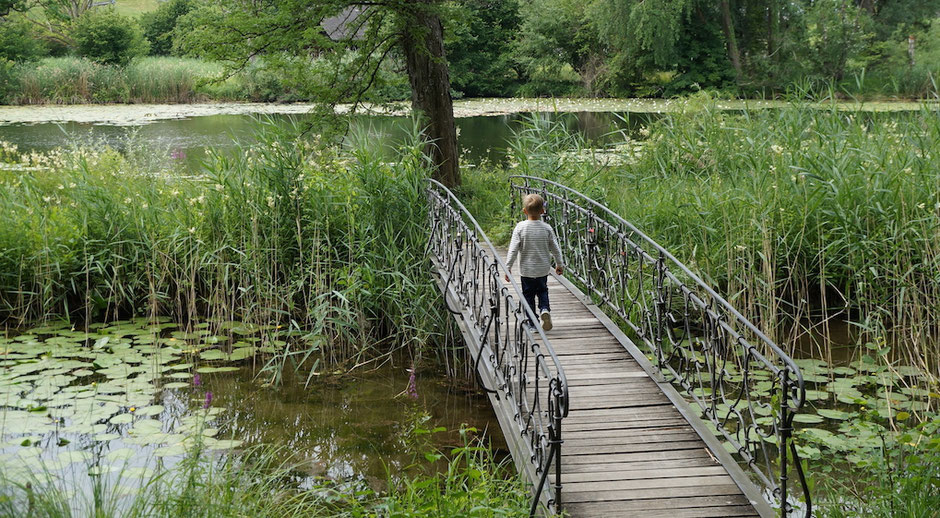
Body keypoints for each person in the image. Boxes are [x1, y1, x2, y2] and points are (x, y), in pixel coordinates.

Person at [504, 193, 564, 331]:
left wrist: (508, 267)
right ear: (542, 211)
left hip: (527, 270)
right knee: (543, 290)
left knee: (528, 295)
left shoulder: (520, 227)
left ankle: (533, 323)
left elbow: (513, 250)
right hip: (543, 269)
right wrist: (559, 264)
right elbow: (555, 248)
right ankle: (544, 309)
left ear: (524, 211)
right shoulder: (547, 228)